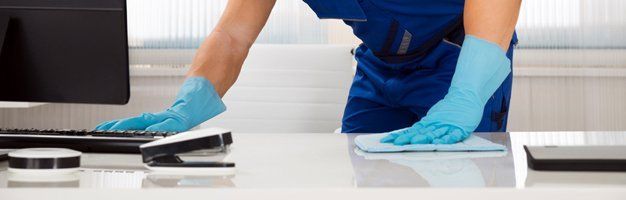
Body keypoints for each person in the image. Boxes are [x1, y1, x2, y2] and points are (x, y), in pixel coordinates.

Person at [96, 0, 522, 145]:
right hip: (377, 65)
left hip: (460, 54)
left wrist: (466, 94)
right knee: (361, 179)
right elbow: (231, 34)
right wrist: (187, 104)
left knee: (462, 181)